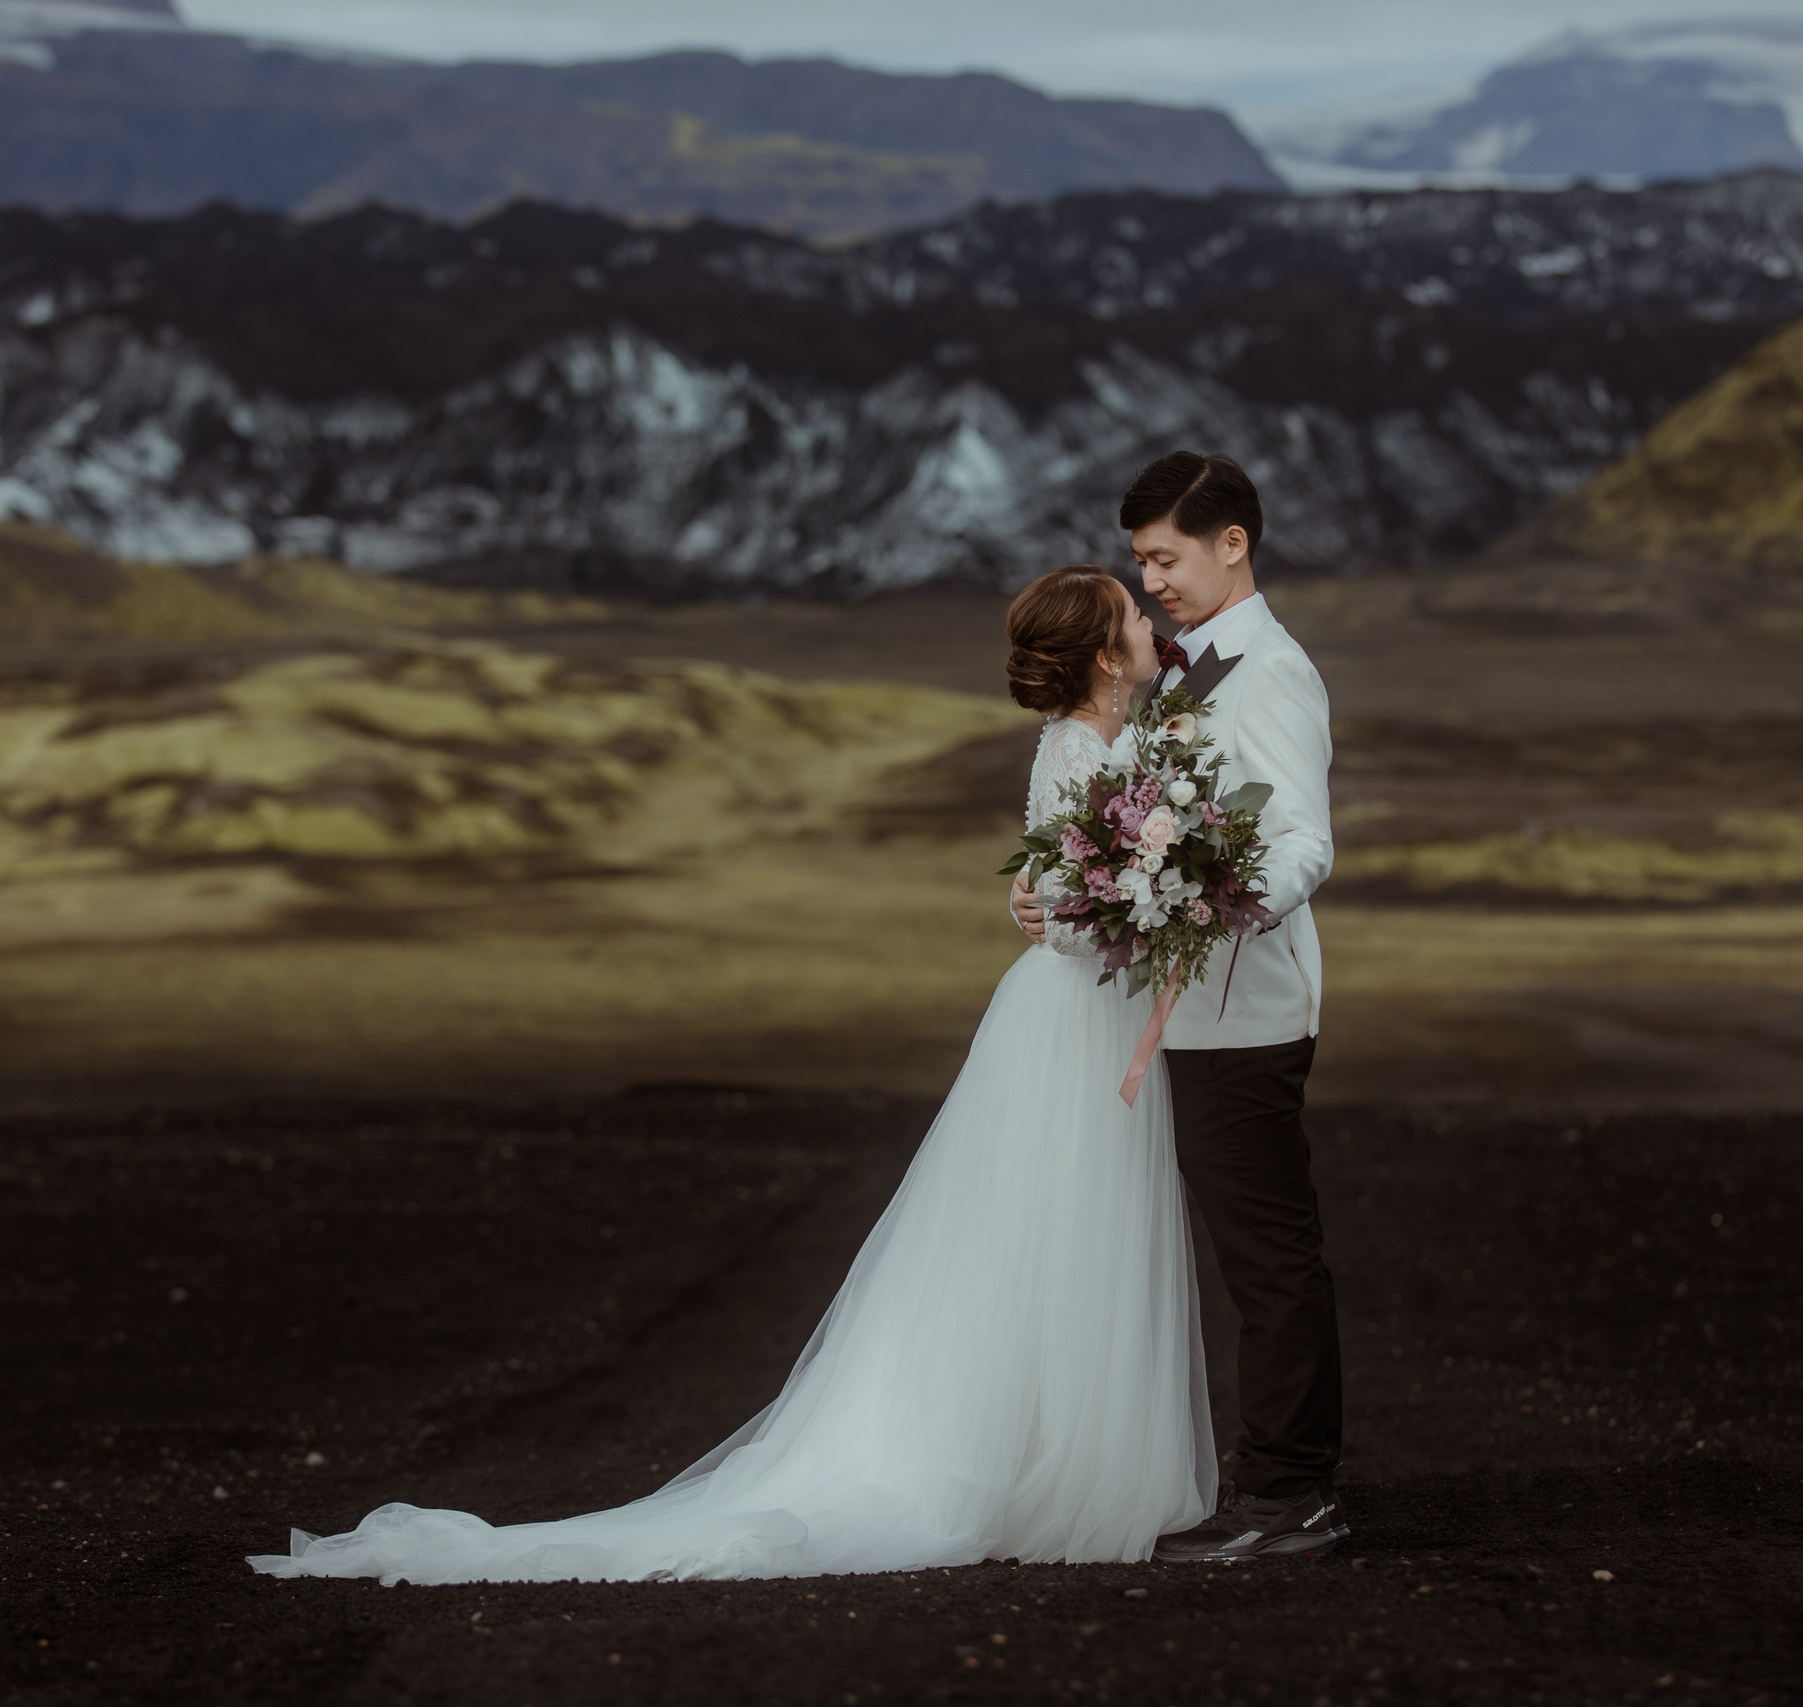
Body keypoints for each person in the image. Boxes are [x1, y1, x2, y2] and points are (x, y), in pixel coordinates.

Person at [248, 565, 1215, 1584]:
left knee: (1071, 1231)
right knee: (1053, 1230)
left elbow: (1048, 881)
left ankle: (1064, 1458)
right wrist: (1123, 904)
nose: (1152, 623)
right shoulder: (1076, 745)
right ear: (1106, 654)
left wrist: (1095, 895)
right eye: (1131, 613)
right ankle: (1035, 1468)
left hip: (1091, 1016)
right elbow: (1064, 904)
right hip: (1071, 1023)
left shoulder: (1119, 743)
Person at [1012, 450, 1346, 1561]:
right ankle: (1261, 1482)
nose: (1150, 579)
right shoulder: (1181, 674)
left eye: (1164, 557)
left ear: (1231, 545)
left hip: (1241, 1015)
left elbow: (1303, 841)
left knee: (1265, 1260)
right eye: (1140, 562)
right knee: (1232, 1257)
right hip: (1180, 1016)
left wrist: (1213, 901)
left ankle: (1289, 1495)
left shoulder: (1273, 671)